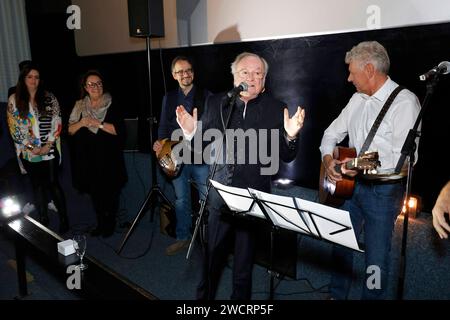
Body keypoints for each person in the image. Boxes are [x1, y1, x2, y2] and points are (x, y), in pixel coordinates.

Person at [176, 52, 305, 299]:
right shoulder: (217, 103)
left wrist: (290, 136)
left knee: (243, 267)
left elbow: (286, 156)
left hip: (253, 199)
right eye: (245, 72)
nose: (252, 77)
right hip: (219, 196)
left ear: (265, 80)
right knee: (211, 260)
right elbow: (202, 146)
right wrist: (191, 133)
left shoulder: (276, 109)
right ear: (235, 77)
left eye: (258, 73)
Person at [320, 41, 421, 300]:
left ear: (369, 69)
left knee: (376, 261)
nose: (349, 77)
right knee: (340, 245)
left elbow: (403, 159)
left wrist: (356, 166)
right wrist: (329, 159)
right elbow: (330, 134)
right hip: (351, 189)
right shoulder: (357, 99)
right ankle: (335, 295)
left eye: (352, 72)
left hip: (383, 193)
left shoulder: (405, 102)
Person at [153, 56, 211, 256]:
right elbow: (162, 126)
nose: (185, 74)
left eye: (188, 70)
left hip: (200, 156)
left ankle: (209, 240)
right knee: (181, 200)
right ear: (173, 75)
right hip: (176, 156)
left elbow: (211, 128)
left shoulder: (207, 96)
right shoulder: (168, 98)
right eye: (180, 71)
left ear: (193, 72)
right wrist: (160, 144)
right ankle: (183, 237)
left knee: (207, 200)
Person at [6, 63, 69, 233]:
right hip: (29, 151)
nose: (34, 80)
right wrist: (31, 147)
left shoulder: (49, 97)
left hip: (49, 148)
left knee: (53, 183)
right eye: (30, 77)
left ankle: (64, 218)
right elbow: (14, 127)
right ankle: (43, 218)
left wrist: (47, 144)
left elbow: (57, 121)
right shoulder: (14, 99)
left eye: (37, 77)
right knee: (37, 185)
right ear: (23, 79)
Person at [68, 70, 127, 238]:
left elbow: (119, 131)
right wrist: (81, 122)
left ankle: (110, 223)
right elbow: (69, 131)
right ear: (85, 87)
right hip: (88, 159)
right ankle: (100, 223)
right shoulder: (79, 105)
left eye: (98, 83)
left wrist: (97, 123)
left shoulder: (112, 103)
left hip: (109, 158)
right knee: (95, 194)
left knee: (110, 193)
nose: (95, 87)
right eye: (91, 84)